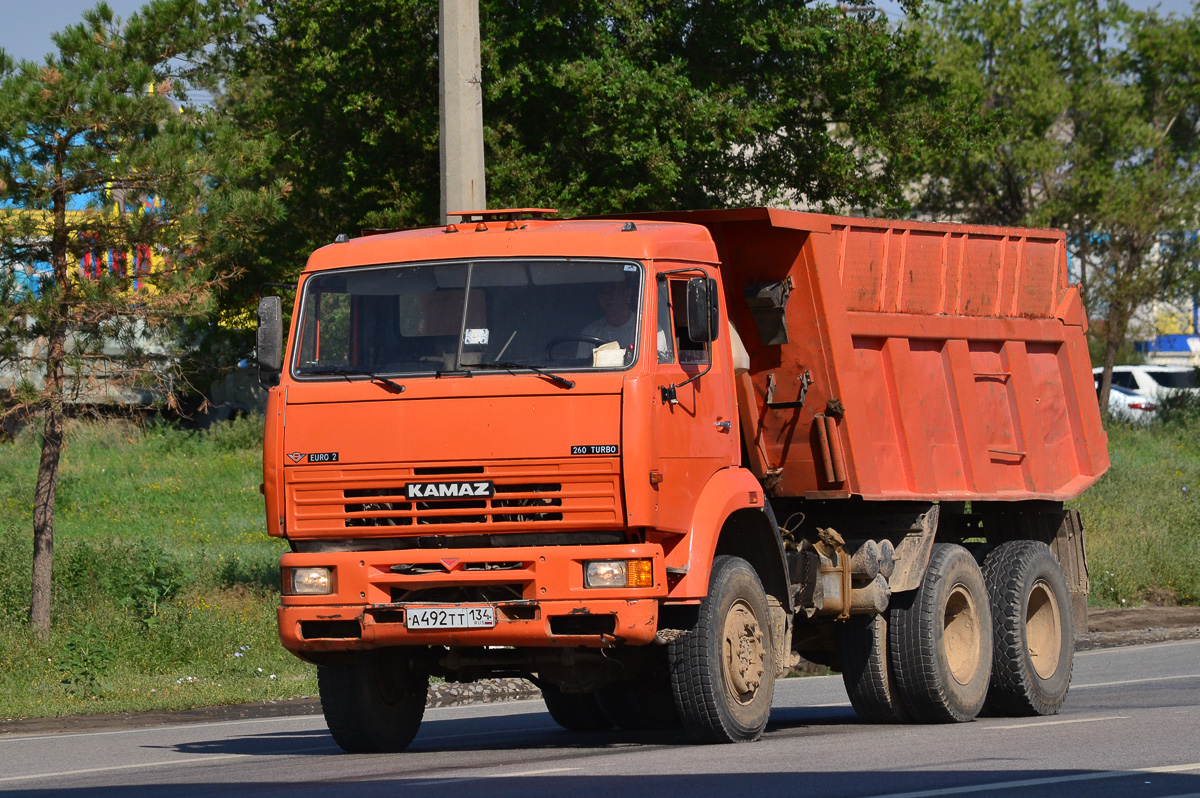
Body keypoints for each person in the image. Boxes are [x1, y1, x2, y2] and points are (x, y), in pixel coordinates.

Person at [578, 280, 637, 357]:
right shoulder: (590, 332)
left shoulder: (645, 328)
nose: (607, 297)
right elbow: (582, 366)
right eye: (602, 292)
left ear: (628, 293)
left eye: (613, 289)